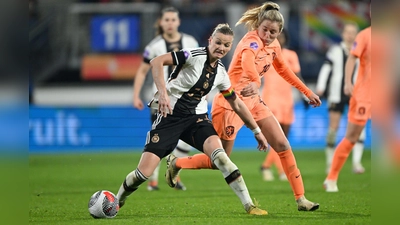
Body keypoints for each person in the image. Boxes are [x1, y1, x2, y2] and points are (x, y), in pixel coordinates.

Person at [167, 2, 321, 211]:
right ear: (258, 25)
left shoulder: (274, 45)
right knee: (219, 160)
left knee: (283, 145)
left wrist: (307, 91)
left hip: (254, 102)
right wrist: (256, 82)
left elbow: (284, 70)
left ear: (280, 32)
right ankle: (177, 163)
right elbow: (248, 64)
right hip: (231, 104)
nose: (267, 35)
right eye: (265, 29)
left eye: (273, 32)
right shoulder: (251, 42)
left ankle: (301, 199)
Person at [116, 23, 269, 215]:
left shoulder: (221, 73)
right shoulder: (192, 55)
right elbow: (156, 61)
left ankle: (249, 205)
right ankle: (117, 199)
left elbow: (237, 104)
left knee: (222, 158)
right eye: (218, 42)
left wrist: (257, 131)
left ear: (230, 47)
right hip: (169, 118)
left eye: (226, 45)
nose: (221, 48)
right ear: (210, 41)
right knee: (143, 174)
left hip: (196, 119)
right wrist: (162, 94)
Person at [132, 6, 199, 191]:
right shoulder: (154, 46)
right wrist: (136, 95)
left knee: (186, 142)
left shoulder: (190, 41)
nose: (170, 23)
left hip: (187, 100)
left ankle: (174, 174)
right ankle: (153, 181)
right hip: (162, 101)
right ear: (161, 22)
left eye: (173, 19)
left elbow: (199, 67)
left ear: (178, 22)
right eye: (166, 20)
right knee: (159, 140)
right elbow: (142, 71)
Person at [324, 24, 371, 192]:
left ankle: (357, 163)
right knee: (352, 136)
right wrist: (348, 82)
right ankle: (331, 177)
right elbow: (352, 58)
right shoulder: (365, 36)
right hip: (364, 94)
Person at [316, 22, 366, 174]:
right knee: (333, 128)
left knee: (359, 129)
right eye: (348, 32)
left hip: (357, 94)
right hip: (337, 93)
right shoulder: (335, 50)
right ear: (343, 34)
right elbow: (326, 68)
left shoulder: (362, 50)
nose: (350, 35)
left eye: (353, 32)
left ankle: (357, 163)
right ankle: (330, 163)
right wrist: (321, 86)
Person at [259, 29, 303, 182]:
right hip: (271, 98)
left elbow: (297, 75)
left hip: (287, 99)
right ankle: (281, 171)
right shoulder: (266, 53)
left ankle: (265, 166)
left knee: (285, 137)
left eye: (282, 37)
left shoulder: (291, 55)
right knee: (278, 137)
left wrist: (304, 94)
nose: (280, 40)